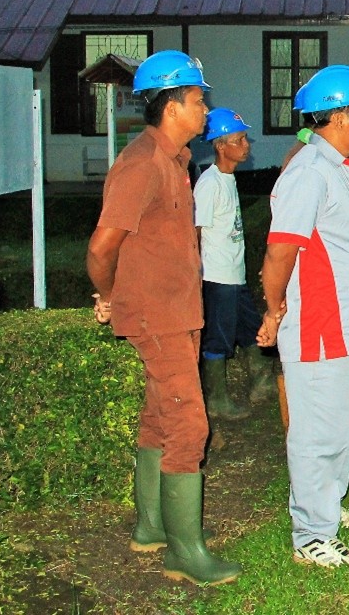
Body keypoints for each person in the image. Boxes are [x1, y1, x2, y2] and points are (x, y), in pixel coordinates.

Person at [87, 50, 240, 585]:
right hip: (158, 317)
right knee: (188, 425)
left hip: (178, 311)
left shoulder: (174, 159)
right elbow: (102, 247)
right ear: (171, 105)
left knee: (159, 418)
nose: (206, 109)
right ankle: (185, 551)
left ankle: (151, 527)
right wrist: (108, 295)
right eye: (199, 100)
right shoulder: (142, 164)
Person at [258, 65, 349, 568]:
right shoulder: (308, 172)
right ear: (337, 117)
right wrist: (273, 309)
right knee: (317, 430)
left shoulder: (336, 168)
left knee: (337, 423)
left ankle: (327, 505)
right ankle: (311, 534)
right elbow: (280, 252)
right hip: (319, 324)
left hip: (345, 323)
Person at [195, 107, 273, 423]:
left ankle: (261, 384)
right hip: (217, 277)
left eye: (244, 139)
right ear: (220, 145)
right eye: (239, 140)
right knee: (218, 337)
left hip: (234, 276)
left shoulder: (228, 180)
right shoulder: (210, 183)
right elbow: (195, 231)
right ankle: (216, 400)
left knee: (251, 329)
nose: (246, 145)